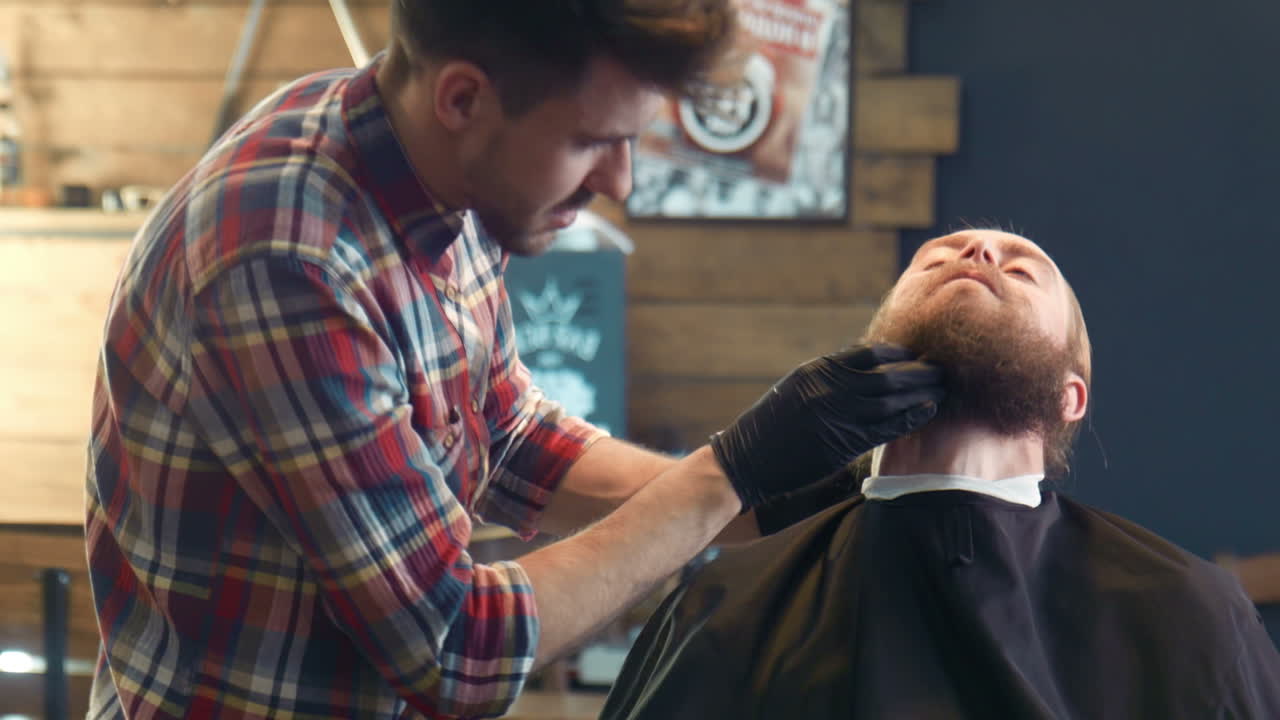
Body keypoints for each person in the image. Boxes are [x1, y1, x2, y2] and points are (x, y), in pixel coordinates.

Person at [82, 3, 945, 719]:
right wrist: (729, 472)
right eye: (593, 141)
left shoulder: (442, 181)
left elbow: (509, 433)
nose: (621, 182)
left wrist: (762, 502)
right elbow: (455, 651)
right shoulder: (286, 259)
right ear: (463, 98)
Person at [602, 229, 1280, 720]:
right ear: (870, 350)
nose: (981, 254)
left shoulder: (1186, 615)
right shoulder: (725, 602)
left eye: (1022, 270)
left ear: (1071, 397)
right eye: (939, 256)